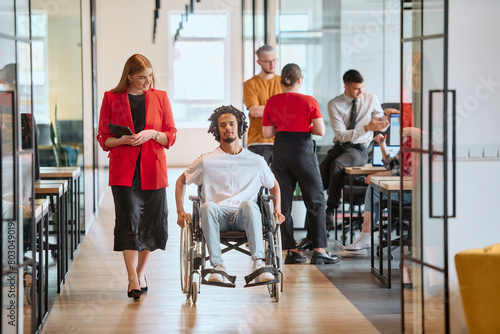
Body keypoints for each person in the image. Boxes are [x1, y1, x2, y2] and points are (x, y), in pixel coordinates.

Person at [96, 54, 177, 299]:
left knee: (150, 222)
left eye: (150, 76)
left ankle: (141, 272)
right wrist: (122, 140)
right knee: (129, 219)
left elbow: (171, 135)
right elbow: (103, 137)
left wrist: (153, 133)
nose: (147, 81)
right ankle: (132, 277)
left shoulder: (160, 97)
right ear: (129, 76)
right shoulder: (111, 98)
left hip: (153, 169)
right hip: (124, 171)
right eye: (142, 77)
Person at [175, 105, 285, 284]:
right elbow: (181, 181)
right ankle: (217, 266)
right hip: (217, 217)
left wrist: (277, 209)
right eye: (223, 125)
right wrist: (180, 210)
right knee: (208, 206)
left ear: (240, 126)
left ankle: (258, 263)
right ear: (217, 130)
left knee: (249, 204)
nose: (228, 128)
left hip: (244, 217)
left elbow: (274, 186)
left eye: (232, 124)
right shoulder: (207, 161)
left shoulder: (256, 161)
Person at [262, 63, 339, 265]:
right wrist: (305, 125)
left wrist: (284, 126)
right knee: (315, 200)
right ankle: (320, 250)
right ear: (300, 80)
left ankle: (292, 250)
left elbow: (267, 133)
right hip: (303, 150)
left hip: (280, 151)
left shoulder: (272, 101)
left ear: (282, 80)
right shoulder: (309, 101)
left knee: (283, 202)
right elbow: (321, 131)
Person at [319, 69, 389, 230]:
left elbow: (383, 127)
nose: (361, 92)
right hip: (340, 146)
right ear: (346, 87)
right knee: (319, 176)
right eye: (356, 88)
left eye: (362, 87)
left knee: (337, 165)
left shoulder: (371, 99)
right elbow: (342, 136)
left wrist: (385, 118)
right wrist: (366, 127)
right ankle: (313, 226)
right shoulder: (334, 104)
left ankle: (330, 210)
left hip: (359, 149)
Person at [243, 45, 284, 165]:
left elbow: (288, 110)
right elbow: (255, 111)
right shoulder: (250, 84)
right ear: (259, 62)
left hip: (280, 140)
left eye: (274, 60)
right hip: (258, 141)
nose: (272, 64)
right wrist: (279, 110)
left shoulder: (283, 82)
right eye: (267, 61)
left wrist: (265, 110)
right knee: (257, 181)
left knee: (279, 182)